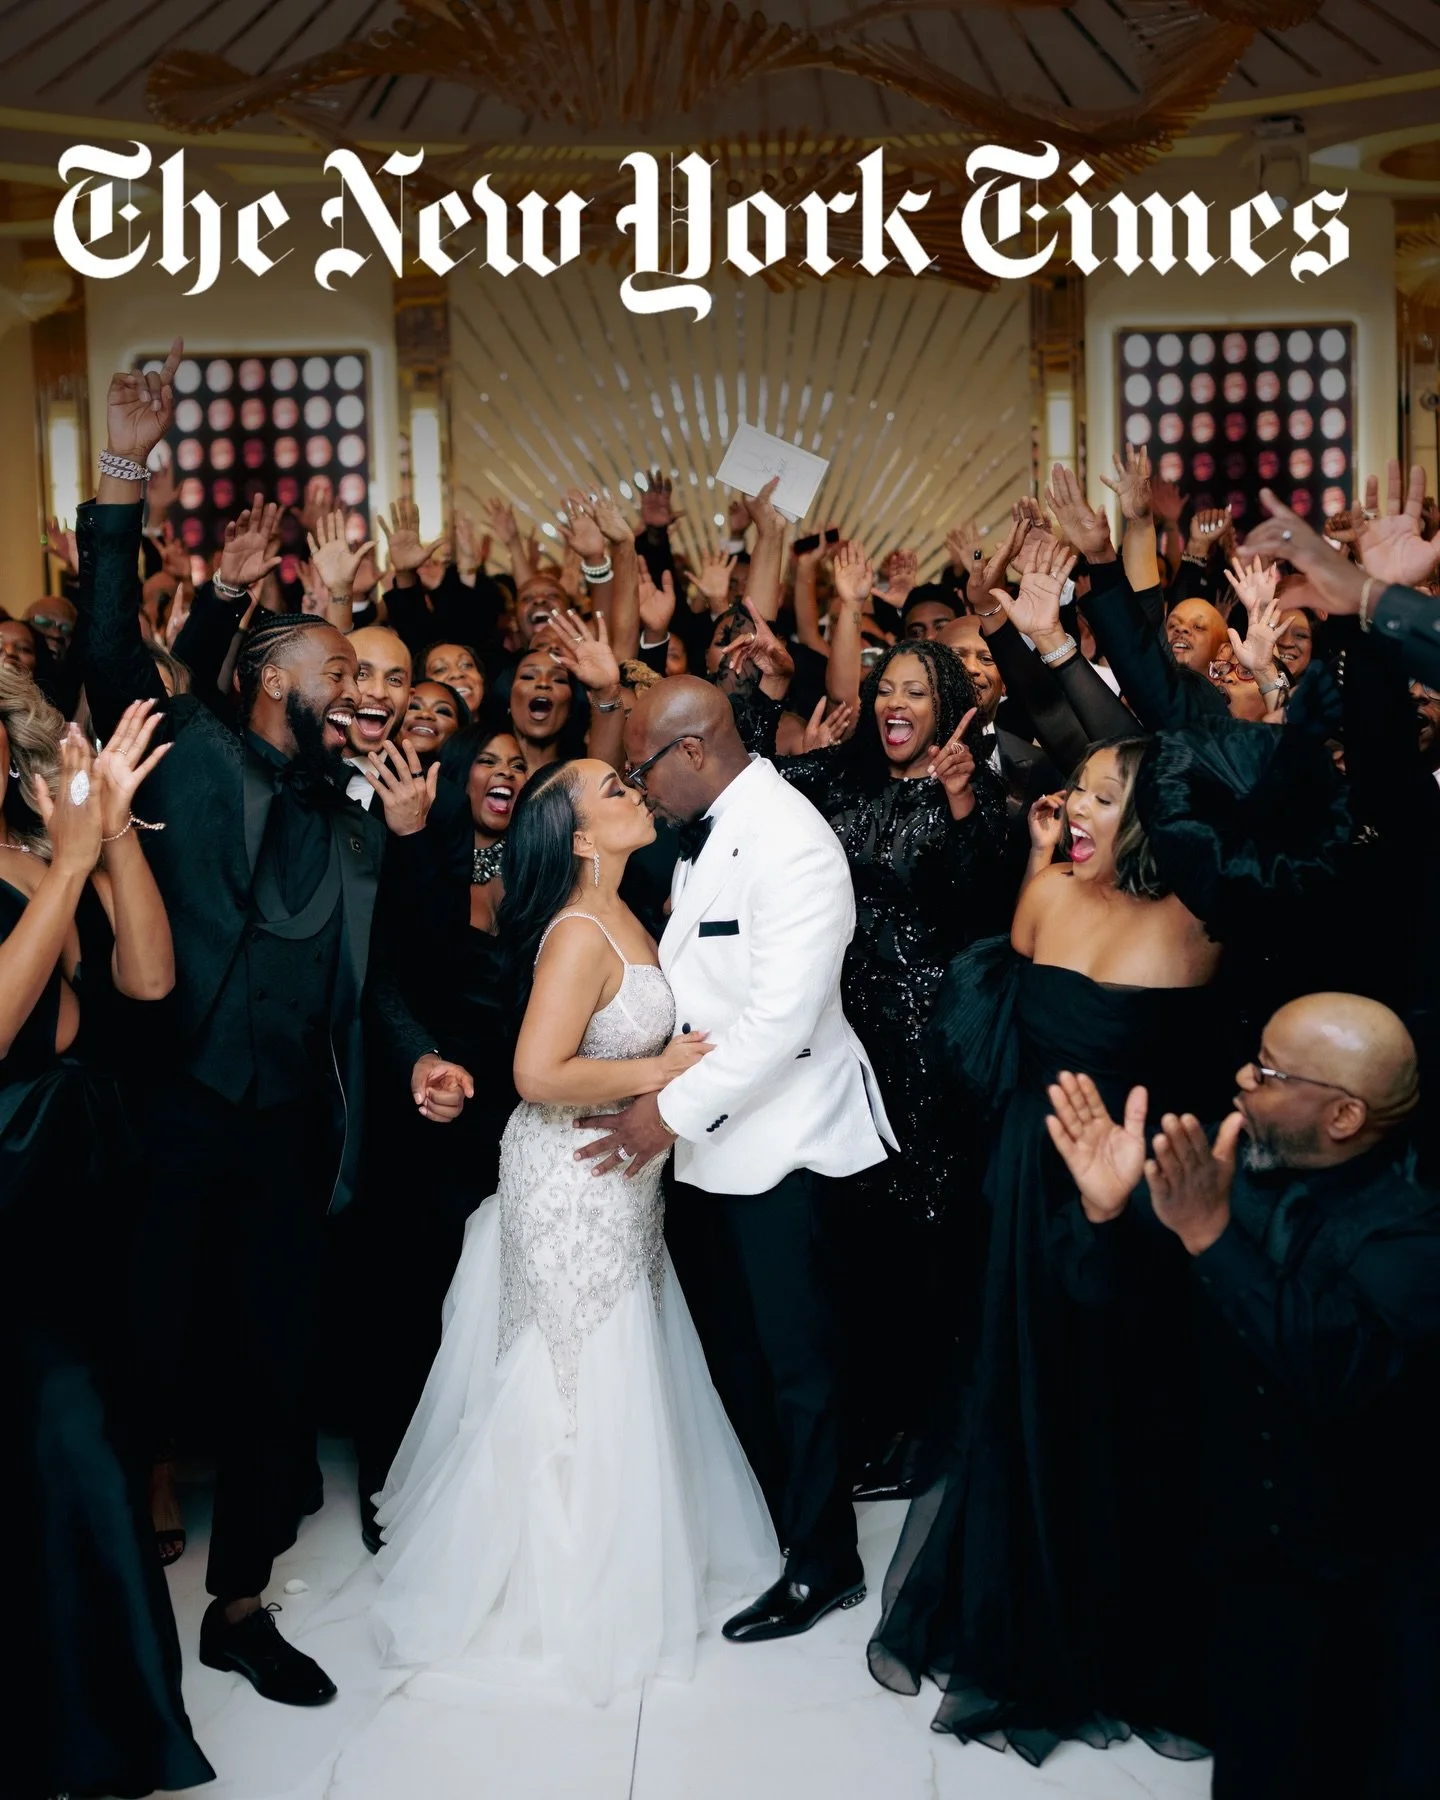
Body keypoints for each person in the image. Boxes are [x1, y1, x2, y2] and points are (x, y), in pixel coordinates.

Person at [75, 340, 473, 1710]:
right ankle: (111, 1593)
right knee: (139, 1364)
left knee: (273, 1379)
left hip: (299, 1132)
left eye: (370, 684)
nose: (365, 699)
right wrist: (124, 473)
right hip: (166, 1117)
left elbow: (381, 975)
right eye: (341, 679)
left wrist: (417, 1046)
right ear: (268, 681)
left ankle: (240, 1604)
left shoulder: (358, 813)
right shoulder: (184, 749)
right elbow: (107, 641)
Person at [371, 756, 779, 1701]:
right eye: (613, 790)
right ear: (583, 838)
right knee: (570, 1366)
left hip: (618, 1176)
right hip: (569, 1175)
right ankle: (554, 1575)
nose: (634, 790)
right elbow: (537, 1074)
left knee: (613, 1350)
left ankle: (617, 1546)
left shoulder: (629, 906)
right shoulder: (577, 932)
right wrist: (660, 1073)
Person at [868, 735, 1232, 1765]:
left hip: (1088, 1185)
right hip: (1073, 1179)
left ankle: (1068, 1609)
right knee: (1063, 1390)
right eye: (1076, 785)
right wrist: (1051, 856)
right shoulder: (1182, 928)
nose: (1073, 803)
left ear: (1154, 819)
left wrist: (1044, 868)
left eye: (1102, 797)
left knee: (1090, 1392)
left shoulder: (1166, 923)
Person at [1046, 993, 1440, 1800]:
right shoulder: (1229, 1172)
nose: (1241, 1077)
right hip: (1234, 1567)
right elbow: (1095, 1295)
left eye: (1267, 1070)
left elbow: (1336, 1374)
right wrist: (1105, 1206)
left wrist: (1209, 1237)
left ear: (1342, 1115)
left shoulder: (1411, 1230)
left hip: (1365, 1588)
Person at [578, 675, 896, 1643]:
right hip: (716, 1146)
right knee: (742, 1356)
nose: (638, 787)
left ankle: (824, 1563)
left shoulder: (794, 843)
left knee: (799, 1367)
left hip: (785, 1147)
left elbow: (780, 1026)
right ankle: (790, 1523)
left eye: (641, 767)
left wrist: (660, 1114)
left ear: (692, 751)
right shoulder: (710, 830)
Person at [728, 603, 1010, 1497]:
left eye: (916, 691)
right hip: (842, 1039)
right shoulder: (840, 784)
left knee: (929, 1246)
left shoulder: (978, 793)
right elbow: (747, 766)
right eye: (886, 687)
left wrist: (963, 801)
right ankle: (865, 1422)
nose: (895, 702)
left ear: (951, 705)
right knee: (856, 1242)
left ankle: (925, 1435)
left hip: (930, 1046)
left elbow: (984, 906)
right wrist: (766, 679)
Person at [0, 682, 214, 1797]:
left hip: (73, 1181)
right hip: (6, 1178)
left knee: (84, 1445)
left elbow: (148, 978)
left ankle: (102, 1727)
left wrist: (113, 834)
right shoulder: (50, 864)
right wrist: (76, 860)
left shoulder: (41, 854)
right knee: (59, 1440)